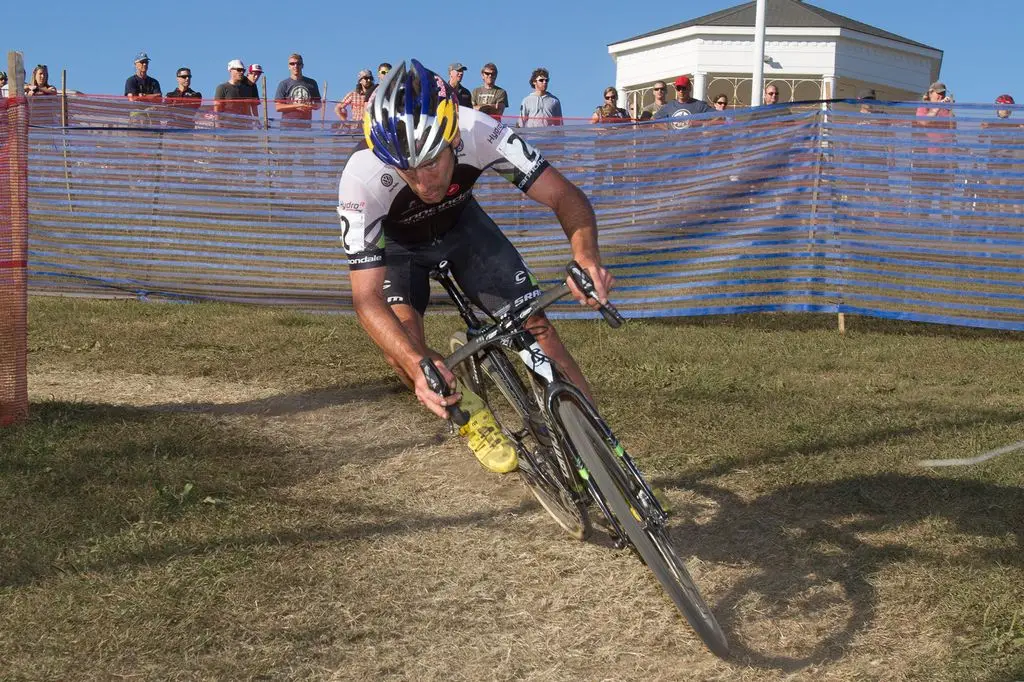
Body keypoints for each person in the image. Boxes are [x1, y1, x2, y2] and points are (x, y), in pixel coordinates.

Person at [336, 59, 612, 474]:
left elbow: (564, 196)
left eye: (431, 162)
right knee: (405, 350)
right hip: (400, 250)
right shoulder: (360, 177)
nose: (423, 182)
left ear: (452, 137)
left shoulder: (479, 130)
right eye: (406, 170)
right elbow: (366, 298)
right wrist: (415, 365)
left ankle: (601, 448)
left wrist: (586, 256)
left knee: (535, 326)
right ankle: (470, 410)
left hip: (462, 227)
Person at [274, 53, 322, 127]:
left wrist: (311, 105)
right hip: (287, 128)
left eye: (298, 63)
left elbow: (319, 105)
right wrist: (298, 105)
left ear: (302, 65)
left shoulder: (312, 83)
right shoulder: (283, 84)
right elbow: (278, 107)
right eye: (292, 64)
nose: (295, 66)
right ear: (289, 66)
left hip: (306, 127)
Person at [214, 59, 260, 125]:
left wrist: (256, 123)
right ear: (230, 70)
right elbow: (217, 109)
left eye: (243, 70)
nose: (241, 72)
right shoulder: (222, 87)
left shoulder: (248, 88)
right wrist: (218, 127)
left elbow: (252, 108)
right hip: (227, 128)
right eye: (239, 69)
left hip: (245, 128)